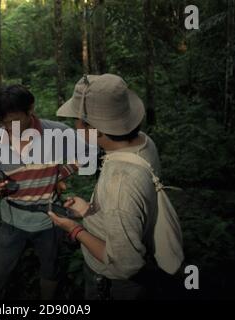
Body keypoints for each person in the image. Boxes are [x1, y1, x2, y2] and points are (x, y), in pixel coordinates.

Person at [48, 74, 162, 300]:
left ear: (94, 129)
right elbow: (128, 210)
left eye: (76, 120)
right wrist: (91, 211)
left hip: (112, 285)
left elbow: (125, 265)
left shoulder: (118, 182)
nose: (74, 125)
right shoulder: (143, 142)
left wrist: (74, 229)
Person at [0, 84, 77, 299]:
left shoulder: (58, 133)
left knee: (50, 269)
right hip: (12, 221)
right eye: (4, 122)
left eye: (14, 120)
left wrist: (60, 174)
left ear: (30, 109)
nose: (9, 127)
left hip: (49, 220)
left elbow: (86, 151)